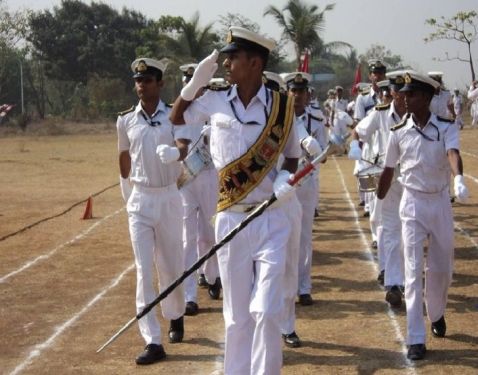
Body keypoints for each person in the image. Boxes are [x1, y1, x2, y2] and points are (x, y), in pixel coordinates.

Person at [169, 26, 301, 375]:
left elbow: (291, 156)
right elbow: (177, 117)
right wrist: (193, 83)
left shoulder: (282, 107)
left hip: (271, 218)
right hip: (229, 218)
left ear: (255, 62)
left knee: (268, 310)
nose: (226, 63)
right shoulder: (213, 99)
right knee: (236, 315)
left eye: (233, 57)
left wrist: (287, 177)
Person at [377, 70, 469, 360]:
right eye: (404, 93)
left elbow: (452, 153)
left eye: (412, 94)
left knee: (441, 270)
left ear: (427, 98)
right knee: (412, 272)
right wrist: (379, 196)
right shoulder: (398, 132)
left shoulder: (445, 126)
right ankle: (415, 337)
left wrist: (459, 178)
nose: (405, 98)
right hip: (413, 204)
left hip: (439, 202)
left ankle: (437, 312)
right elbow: (389, 168)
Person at [117, 58, 190, 365]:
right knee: (144, 270)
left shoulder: (174, 114)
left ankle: (175, 314)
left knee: (171, 265)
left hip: (169, 197)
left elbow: (183, 144)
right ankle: (152, 339)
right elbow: (123, 156)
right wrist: (128, 194)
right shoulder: (125, 119)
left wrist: (177, 153)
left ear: (160, 84)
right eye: (137, 80)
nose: (141, 85)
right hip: (141, 200)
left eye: (147, 80)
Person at [349, 71, 407, 307]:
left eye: (406, 93)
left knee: (406, 233)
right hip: (385, 178)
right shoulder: (379, 115)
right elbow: (358, 131)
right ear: (391, 92)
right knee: (387, 227)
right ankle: (392, 280)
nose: (402, 97)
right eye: (398, 92)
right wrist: (354, 146)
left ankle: (398, 275)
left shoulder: (419, 115)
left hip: (412, 180)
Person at [177, 65, 221, 316]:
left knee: (209, 234)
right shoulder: (177, 112)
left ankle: (213, 275)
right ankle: (190, 296)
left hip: (209, 177)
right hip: (184, 180)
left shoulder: (212, 110)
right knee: (187, 240)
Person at [283, 72, 328, 307]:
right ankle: (285, 285)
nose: (297, 95)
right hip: (284, 181)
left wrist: (315, 153)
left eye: (301, 91)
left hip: (307, 181)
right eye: (293, 90)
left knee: (304, 236)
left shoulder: (316, 119)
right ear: (287, 92)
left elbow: (325, 155)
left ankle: (304, 287)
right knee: (282, 234)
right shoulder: (278, 117)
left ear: (307, 94)